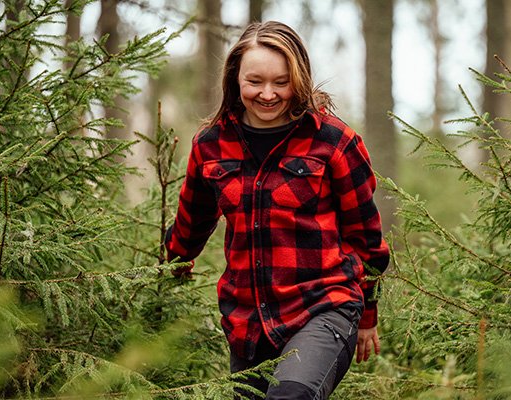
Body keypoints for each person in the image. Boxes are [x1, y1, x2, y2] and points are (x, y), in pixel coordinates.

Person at [165, 20, 390, 399]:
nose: (267, 94)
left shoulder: (334, 142)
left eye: (281, 82)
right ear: (235, 80)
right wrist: (172, 264)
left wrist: (367, 315)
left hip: (324, 306)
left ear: (298, 79)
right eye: (255, 82)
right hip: (247, 324)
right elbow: (191, 220)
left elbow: (366, 238)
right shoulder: (210, 145)